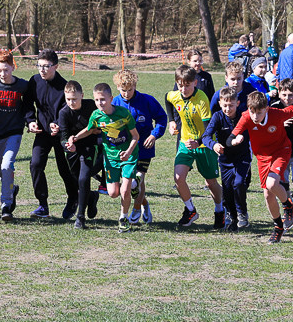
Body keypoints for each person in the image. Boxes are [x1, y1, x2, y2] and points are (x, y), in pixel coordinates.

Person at [67, 82, 140, 233]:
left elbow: (135, 136)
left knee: (124, 191)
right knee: (113, 193)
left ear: (111, 98)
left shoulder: (123, 114)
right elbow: (89, 130)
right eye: (97, 100)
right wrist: (75, 138)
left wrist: (128, 152)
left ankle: (123, 219)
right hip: (111, 157)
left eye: (103, 99)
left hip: (128, 155)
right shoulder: (96, 115)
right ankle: (135, 183)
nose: (100, 103)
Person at [229, 91, 293, 243]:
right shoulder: (246, 117)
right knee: (268, 195)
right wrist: (235, 141)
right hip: (262, 157)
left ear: (266, 109)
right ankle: (278, 228)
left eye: (259, 112)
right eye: (252, 112)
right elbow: (230, 138)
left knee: (272, 183)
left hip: (282, 150)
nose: (255, 116)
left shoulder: (277, 114)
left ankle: (288, 206)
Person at [165, 65, 225, 228]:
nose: (183, 89)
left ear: (195, 83)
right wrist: (171, 121)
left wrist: (198, 142)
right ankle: (190, 210)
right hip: (185, 143)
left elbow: (208, 130)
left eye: (187, 85)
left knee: (210, 182)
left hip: (204, 145)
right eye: (180, 85)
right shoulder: (175, 95)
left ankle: (220, 210)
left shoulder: (202, 100)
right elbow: (167, 98)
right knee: (178, 178)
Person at [0, 50, 31, 222]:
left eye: (6, 70)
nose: (3, 74)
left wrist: (30, 121)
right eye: (0, 70)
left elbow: (29, 105)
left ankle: (6, 205)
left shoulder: (22, 86)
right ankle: (11, 187)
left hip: (14, 132)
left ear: (13, 67)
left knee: (6, 165)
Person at [113, 69, 168, 224]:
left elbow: (162, 118)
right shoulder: (115, 104)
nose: (126, 93)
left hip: (144, 148)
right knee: (129, 183)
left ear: (135, 85)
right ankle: (144, 203)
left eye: (130, 90)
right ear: (118, 87)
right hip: (124, 150)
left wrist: (154, 134)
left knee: (138, 179)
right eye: (123, 90)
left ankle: (136, 208)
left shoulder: (147, 101)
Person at [25, 49, 74, 220]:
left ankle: (73, 199)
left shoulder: (65, 86)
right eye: (39, 65)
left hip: (61, 134)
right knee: (35, 165)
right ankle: (43, 204)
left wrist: (59, 126)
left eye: (46, 66)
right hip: (43, 133)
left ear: (56, 66)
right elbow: (28, 104)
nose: (42, 70)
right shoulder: (35, 81)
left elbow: (69, 110)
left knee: (64, 170)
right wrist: (30, 120)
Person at [203, 87, 252, 232]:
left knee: (238, 183)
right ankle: (232, 217)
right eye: (225, 105)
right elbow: (206, 136)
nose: (228, 108)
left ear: (237, 103)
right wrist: (214, 145)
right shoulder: (218, 117)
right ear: (220, 103)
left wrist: (245, 139)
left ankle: (242, 213)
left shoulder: (244, 117)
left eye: (231, 105)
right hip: (225, 160)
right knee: (228, 190)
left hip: (242, 158)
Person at [56, 81, 100, 229]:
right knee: (77, 179)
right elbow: (63, 137)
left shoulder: (91, 106)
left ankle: (80, 218)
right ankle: (91, 197)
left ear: (82, 95)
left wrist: (97, 131)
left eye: (74, 99)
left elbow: (100, 126)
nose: (71, 102)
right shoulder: (63, 113)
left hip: (90, 147)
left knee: (83, 178)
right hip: (74, 150)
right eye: (68, 99)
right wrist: (68, 146)